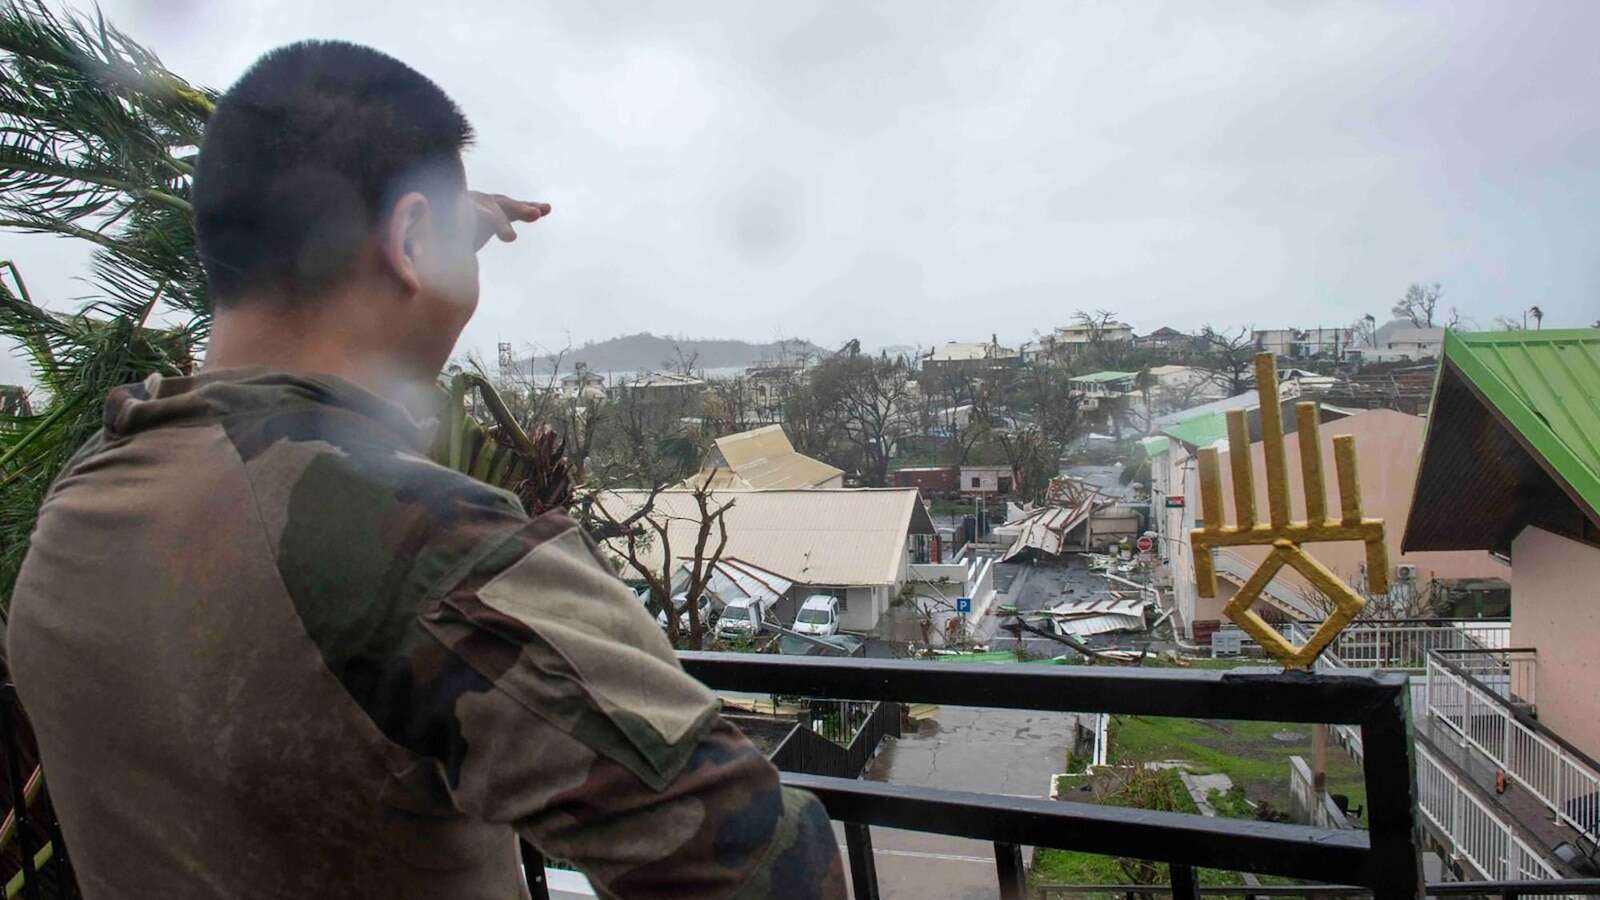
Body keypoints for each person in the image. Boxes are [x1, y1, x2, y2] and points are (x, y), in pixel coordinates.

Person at [7, 41, 844, 899]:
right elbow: (762, 866)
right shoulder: (419, 545)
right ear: (410, 240)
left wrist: (425, 226)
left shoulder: (88, 493)